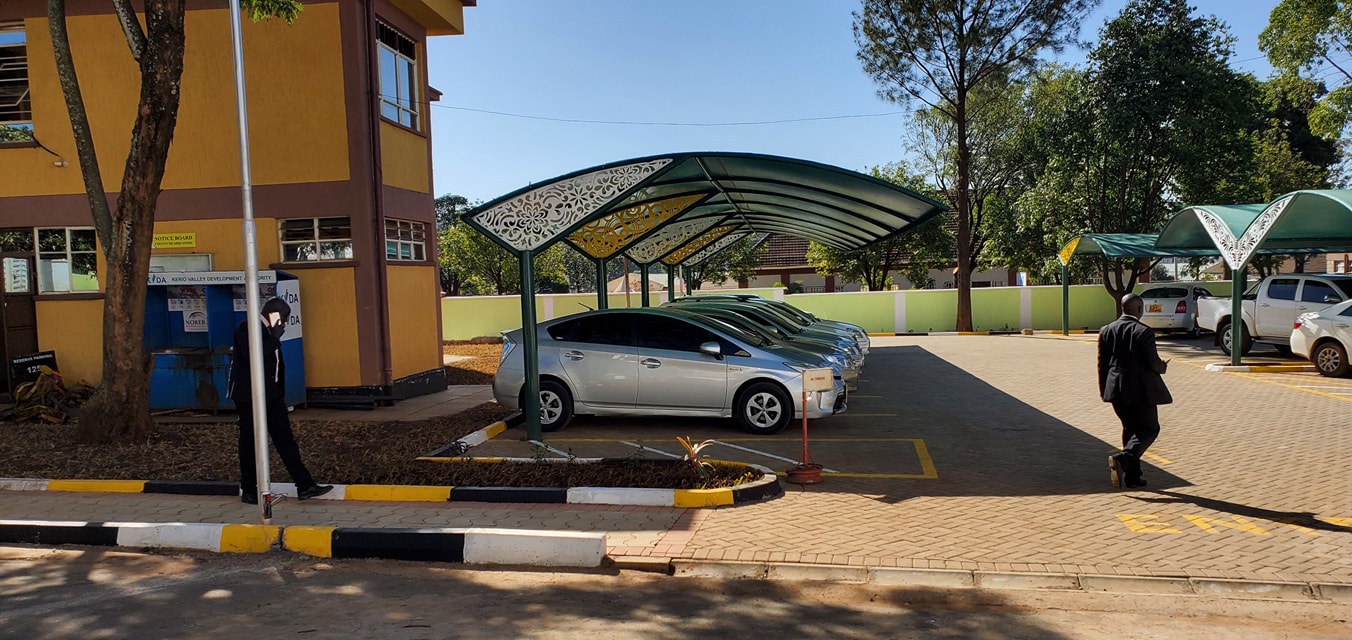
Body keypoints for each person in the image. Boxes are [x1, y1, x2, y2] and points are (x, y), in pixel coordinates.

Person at [228, 297, 331, 504]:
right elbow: (253, 356)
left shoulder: (268, 332)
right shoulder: (247, 327)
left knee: (285, 440)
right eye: (283, 318)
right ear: (272, 314)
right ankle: (248, 488)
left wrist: (279, 395)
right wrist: (274, 338)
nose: (284, 323)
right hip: (249, 398)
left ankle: (305, 485)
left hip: (271, 397)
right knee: (250, 442)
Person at [1097, 293, 1172, 490]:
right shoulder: (1144, 332)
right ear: (1139, 309)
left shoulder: (1106, 330)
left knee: (1130, 430)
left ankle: (1133, 477)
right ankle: (1123, 459)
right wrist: (1162, 367)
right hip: (1140, 390)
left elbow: (1102, 364)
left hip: (1115, 389)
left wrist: (1104, 389)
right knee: (1149, 429)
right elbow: (1152, 361)